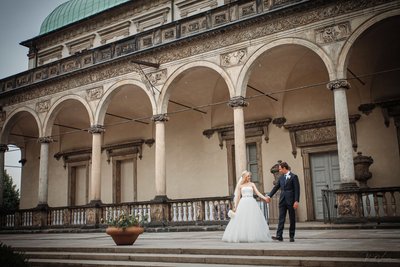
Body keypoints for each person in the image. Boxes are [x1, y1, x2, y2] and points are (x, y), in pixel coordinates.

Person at [222, 170, 272, 243]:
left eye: (250, 176)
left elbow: (258, 193)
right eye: (248, 176)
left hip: (251, 202)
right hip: (243, 203)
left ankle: (253, 236)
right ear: (244, 177)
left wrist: (265, 198)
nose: (249, 177)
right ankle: (242, 235)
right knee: (242, 220)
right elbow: (238, 197)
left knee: (252, 219)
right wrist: (235, 207)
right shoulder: (240, 186)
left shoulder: (252, 184)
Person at [266, 162, 300, 242]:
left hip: (291, 201)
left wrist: (296, 201)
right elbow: (276, 187)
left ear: (285, 168)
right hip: (282, 200)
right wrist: (269, 195)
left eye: (280, 169)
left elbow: (297, 190)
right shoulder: (281, 178)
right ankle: (279, 235)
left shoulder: (294, 177)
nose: (279, 170)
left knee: (292, 218)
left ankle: (291, 236)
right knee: (281, 218)